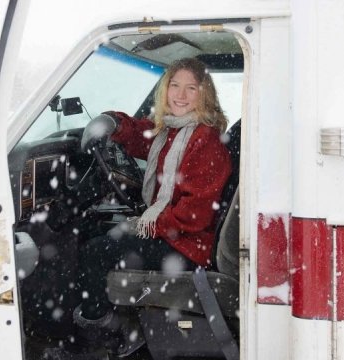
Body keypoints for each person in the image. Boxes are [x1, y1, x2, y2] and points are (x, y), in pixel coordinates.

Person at [74, 57, 232, 357]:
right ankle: (122, 326)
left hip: (190, 247)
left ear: (204, 94)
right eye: (174, 86)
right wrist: (113, 122)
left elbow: (195, 215)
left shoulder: (205, 141)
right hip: (179, 235)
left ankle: (100, 336)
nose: (180, 96)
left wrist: (148, 224)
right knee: (105, 235)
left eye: (191, 88)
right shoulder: (171, 131)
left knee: (95, 251)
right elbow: (140, 134)